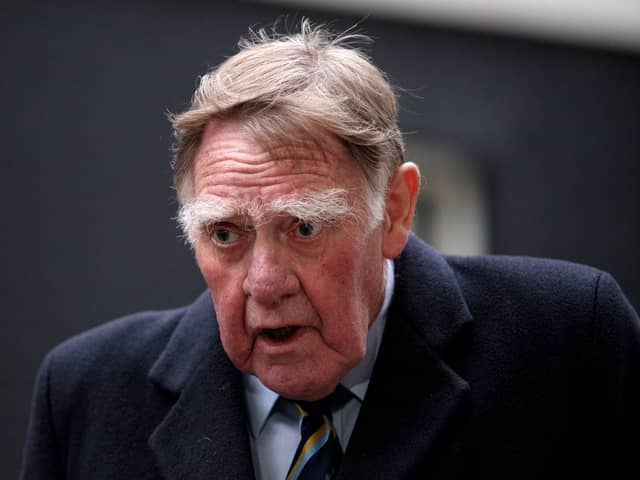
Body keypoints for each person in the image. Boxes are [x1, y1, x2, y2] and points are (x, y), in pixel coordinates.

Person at [21, 20, 639, 480]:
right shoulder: (87, 393)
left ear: (394, 210)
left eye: (305, 229)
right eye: (226, 234)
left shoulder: (569, 340)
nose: (264, 284)